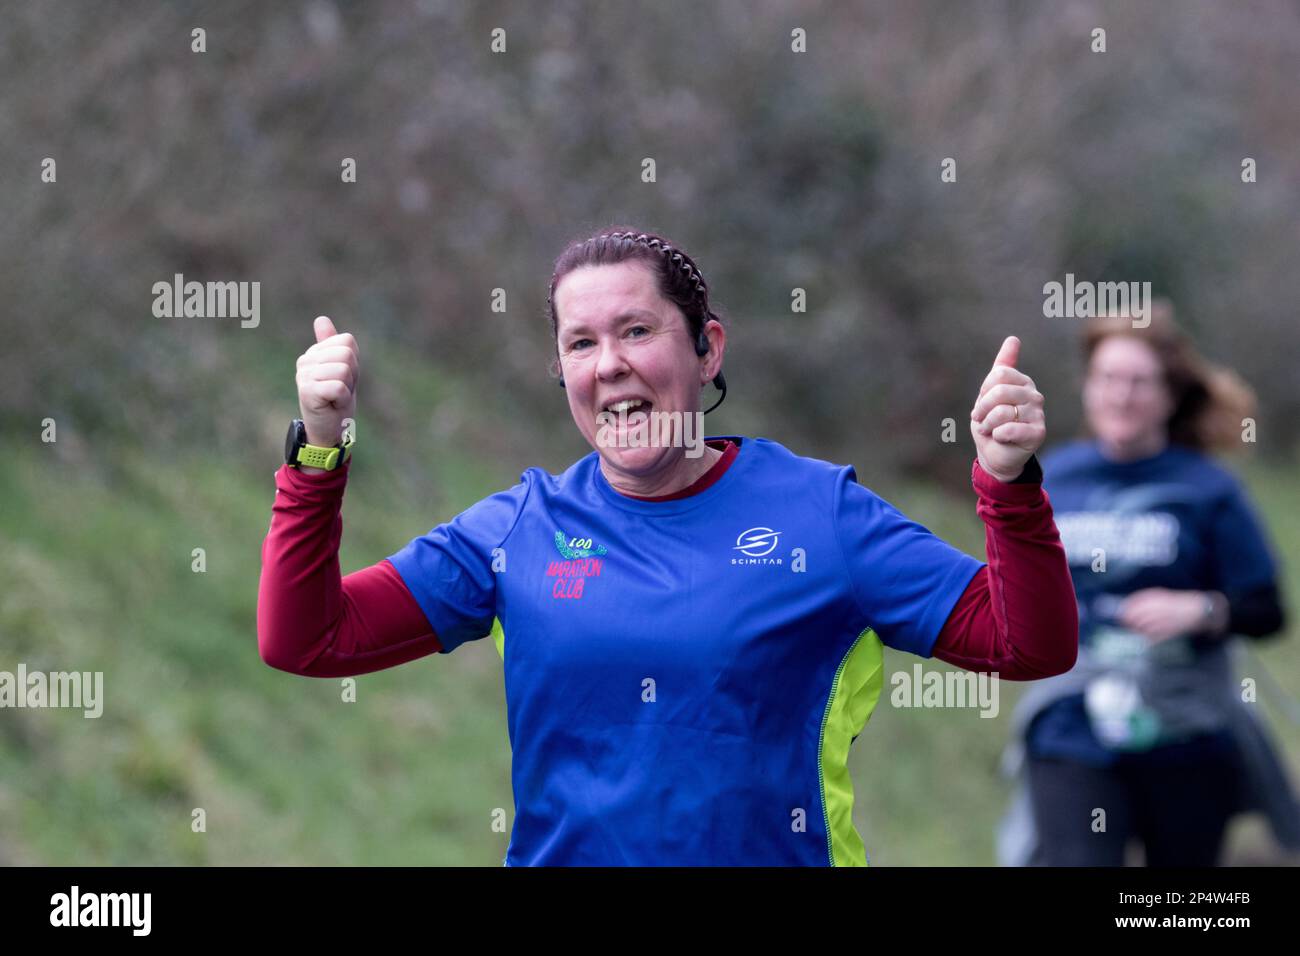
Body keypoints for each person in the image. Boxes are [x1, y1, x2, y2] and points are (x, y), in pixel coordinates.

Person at [258, 226, 1078, 866]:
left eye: (637, 330)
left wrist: (1008, 486)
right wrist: (319, 449)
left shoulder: (821, 516)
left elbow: (1028, 642)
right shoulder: (519, 529)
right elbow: (307, 638)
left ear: (707, 348)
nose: (609, 365)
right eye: (581, 344)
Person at [995, 304, 1299, 867]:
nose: (1122, 395)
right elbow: (1008, 587)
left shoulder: (1209, 490)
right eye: (1108, 378)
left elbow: (1267, 609)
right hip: (1073, 718)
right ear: (1088, 387)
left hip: (1185, 723)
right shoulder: (1053, 476)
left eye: (1139, 382)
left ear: (1169, 396)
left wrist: (1201, 609)